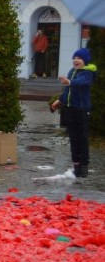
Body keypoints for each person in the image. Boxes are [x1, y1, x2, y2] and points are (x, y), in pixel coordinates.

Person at [51, 48, 96, 178]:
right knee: (73, 138)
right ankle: (76, 164)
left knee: (82, 138)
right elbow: (68, 92)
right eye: (74, 58)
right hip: (70, 109)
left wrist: (69, 82)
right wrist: (58, 101)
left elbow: (81, 83)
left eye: (79, 58)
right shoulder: (72, 71)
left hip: (81, 110)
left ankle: (84, 166)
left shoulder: (88, 73)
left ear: (85, 60)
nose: (76, 60)